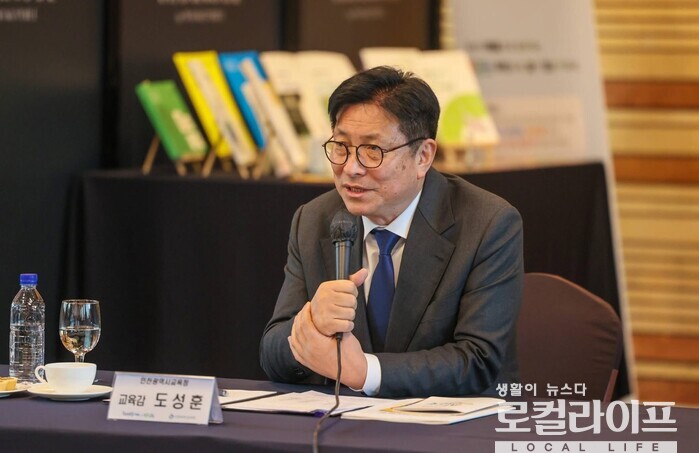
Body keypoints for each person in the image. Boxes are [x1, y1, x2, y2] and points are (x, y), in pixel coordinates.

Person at [260, 66, 523, 398]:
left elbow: (478, 360)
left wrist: (365, 372)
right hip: (346, 422)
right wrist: (312, 321)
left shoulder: (487, 223)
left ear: (423, 156)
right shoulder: (314, 220)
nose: (350, 168)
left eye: (373, 151)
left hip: (453, 423)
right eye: (340, 146)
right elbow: (272, 354)